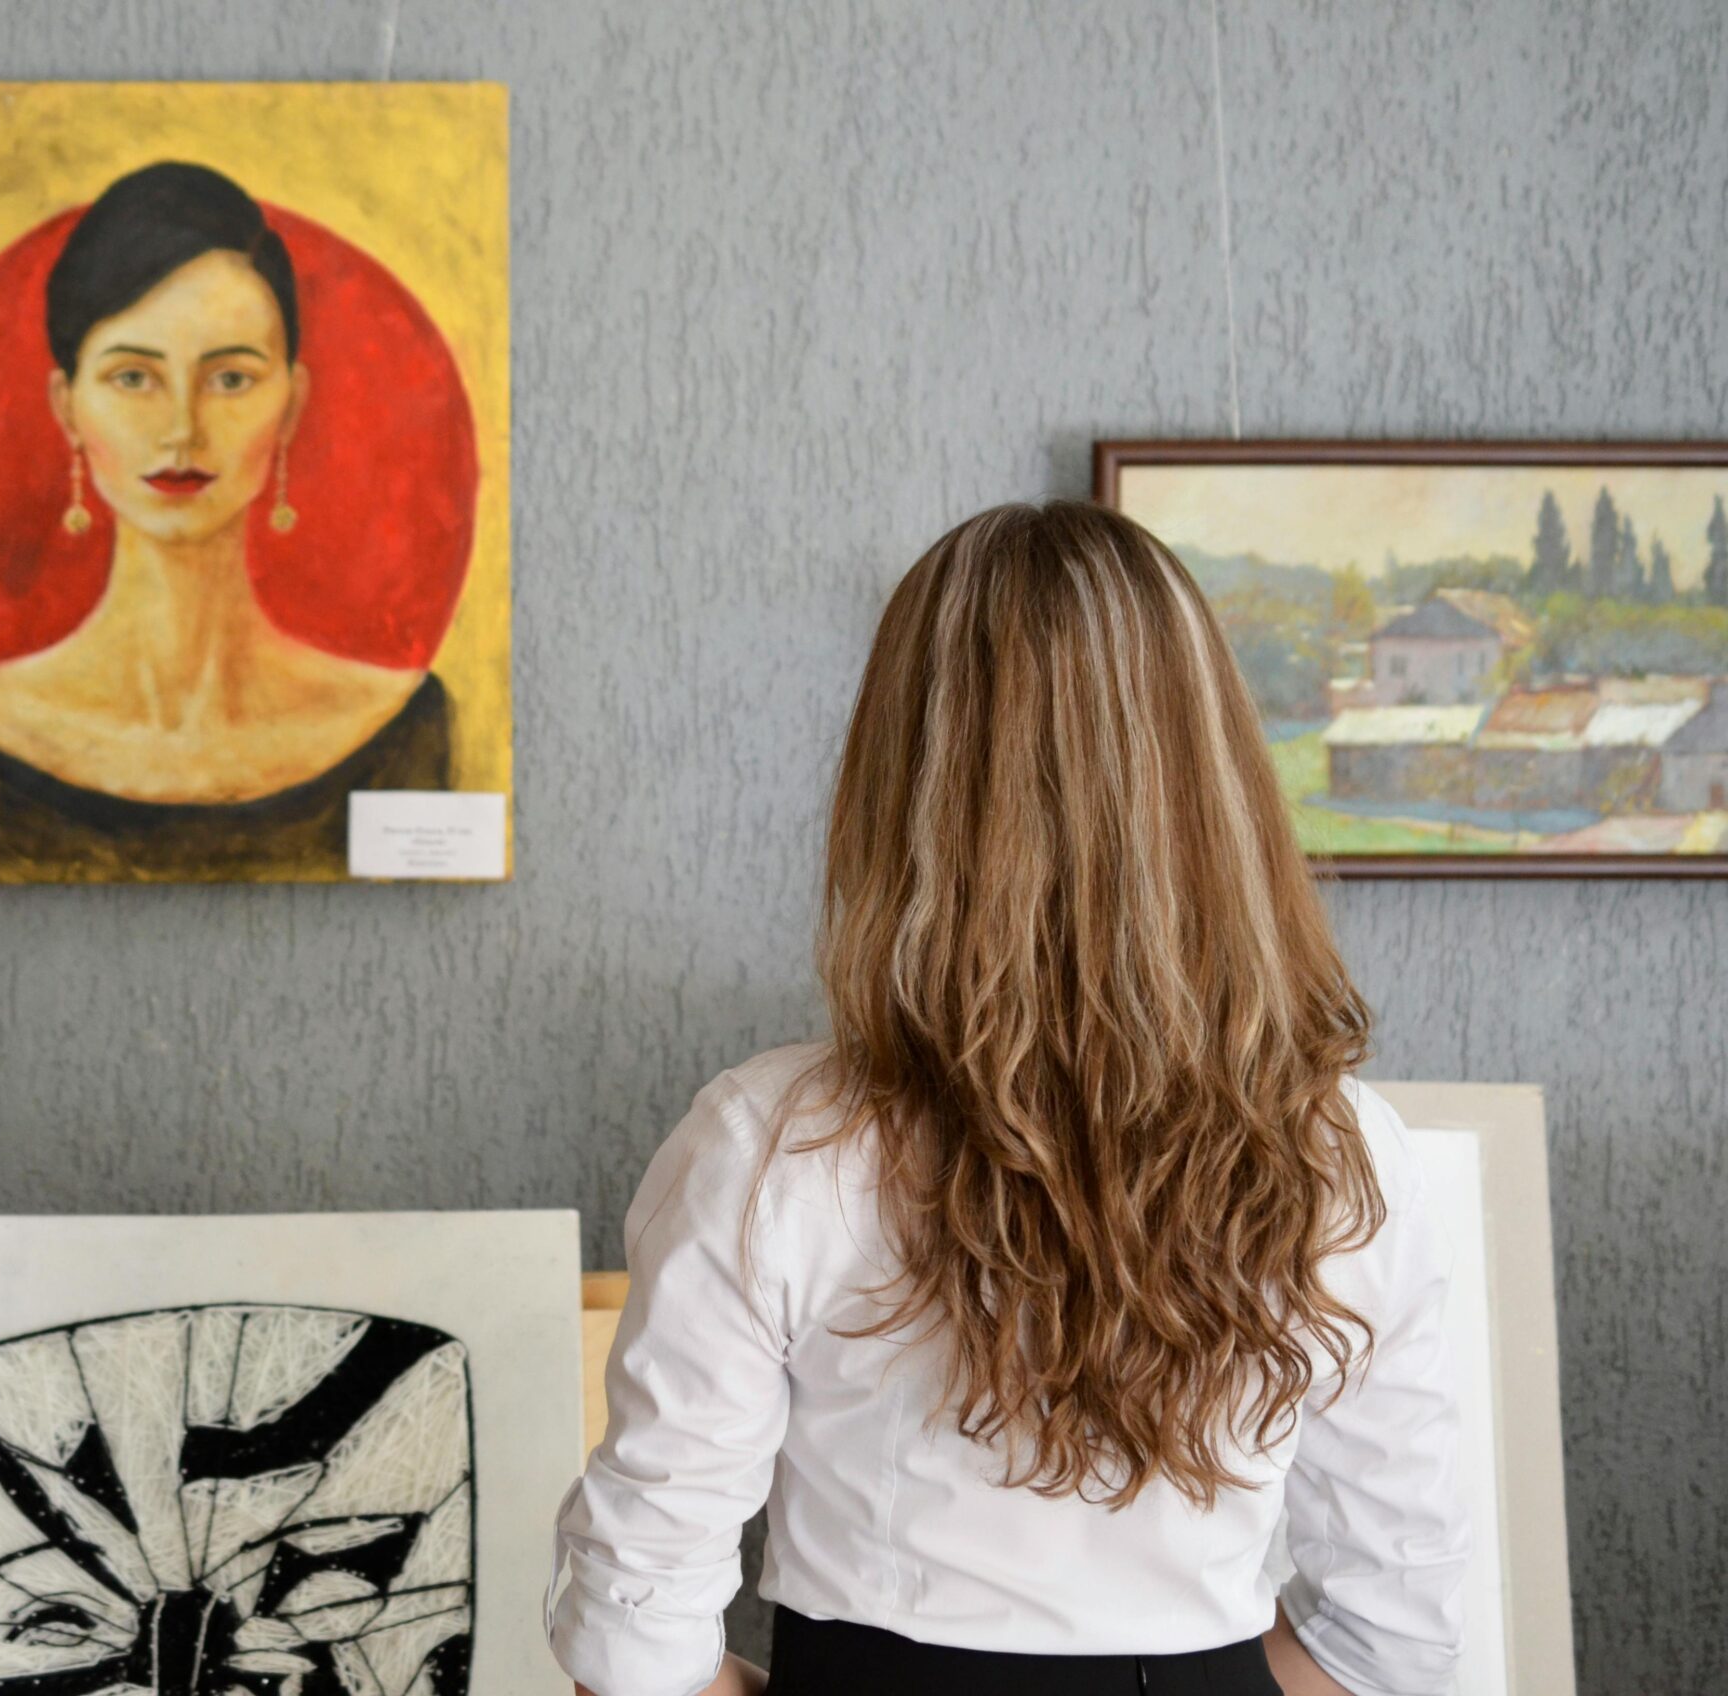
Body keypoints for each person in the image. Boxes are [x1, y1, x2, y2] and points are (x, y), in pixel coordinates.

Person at [545, 502, 1470, 1696]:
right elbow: (1397, 1639)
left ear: (896, 782)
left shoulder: (772, 1143)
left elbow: (632, 1642)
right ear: (1211, 774)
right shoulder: (1348, 1153)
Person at [0, 160, 450, 881]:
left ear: (290, 406)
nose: (181, 431)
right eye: (134, 378)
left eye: (231, 379)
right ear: (68, 407)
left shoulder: (399, 727)